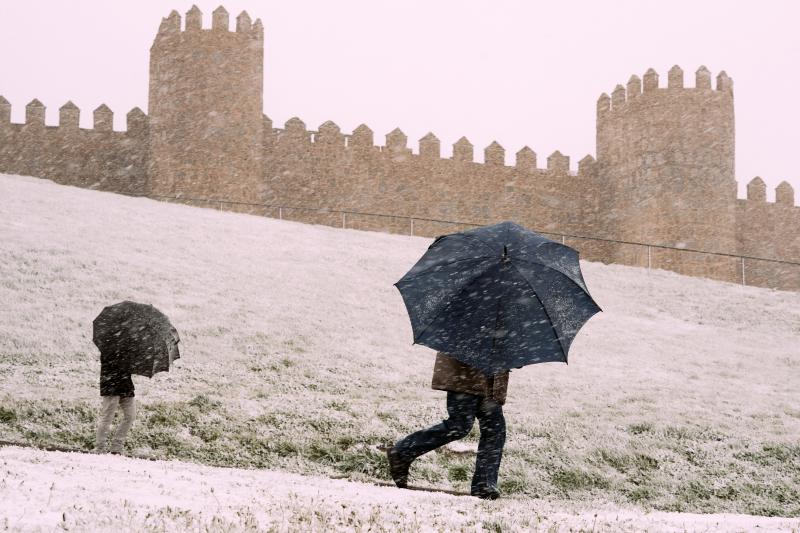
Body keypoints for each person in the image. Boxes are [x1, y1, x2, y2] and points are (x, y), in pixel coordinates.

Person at [386, 351, 509, 499]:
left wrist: (511, 355)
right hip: (466, 374)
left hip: (490, 379)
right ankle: (402, 451)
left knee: (495, 429)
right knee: (459, 425)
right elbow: (460, 338)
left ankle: (485, 485)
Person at [93, 347, 136, 454]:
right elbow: (112, 365)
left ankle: (117, 446)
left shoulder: (129, 346)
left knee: (130, 416)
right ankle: (100, 447)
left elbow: (128, 367)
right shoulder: (108, 345)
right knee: (107, 417)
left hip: (126, 386)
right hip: (111, 386)